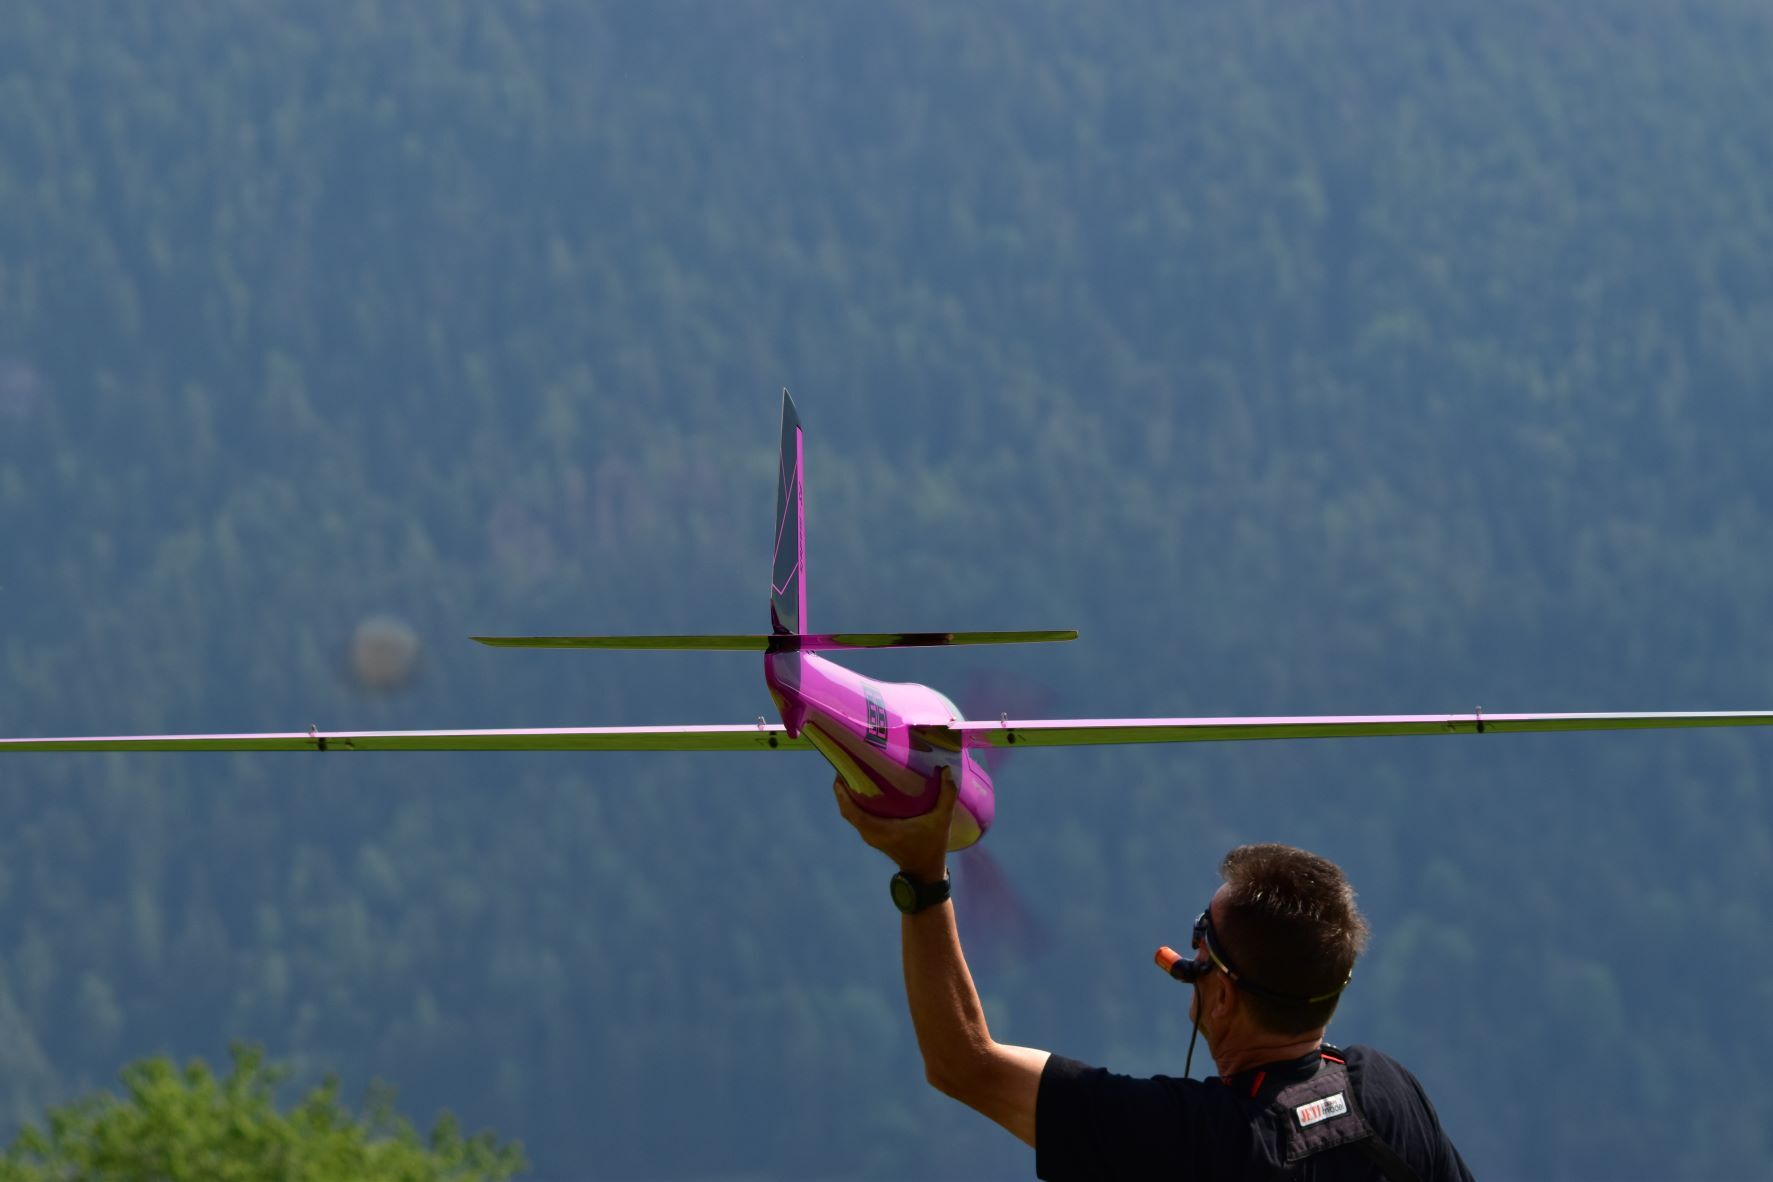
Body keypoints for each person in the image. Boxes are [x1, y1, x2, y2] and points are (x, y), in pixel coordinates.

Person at [833, 771, 1475, 1180]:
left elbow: (964, 1062)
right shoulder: (1386, 1089)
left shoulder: (1189, 1139)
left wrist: (923, 873)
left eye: (1201, 941)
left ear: (1221, 997)